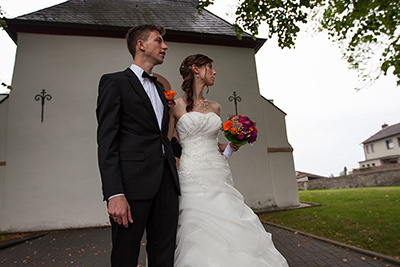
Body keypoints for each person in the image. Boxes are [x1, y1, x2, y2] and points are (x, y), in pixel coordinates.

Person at [169, 54, 289, 266]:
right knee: (197, 227)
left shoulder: (216, 107)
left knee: (230, 218)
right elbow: (169, 143)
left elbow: (216, 145)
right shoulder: (175, 105)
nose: (214, 72)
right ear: (196, 69)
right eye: (210, 67)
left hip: (218, 171)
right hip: (191, 172)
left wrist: (233, 143)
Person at [96, 25, 180, 267]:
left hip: (166, 184)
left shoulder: (162, 91)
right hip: (132, 187)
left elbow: (162, 139)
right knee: (125, 254)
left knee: (164, 254)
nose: (165, 46)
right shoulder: (114, 82)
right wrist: (114, 193)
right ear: (141, 45)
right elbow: (107, 141)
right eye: (159, 41)